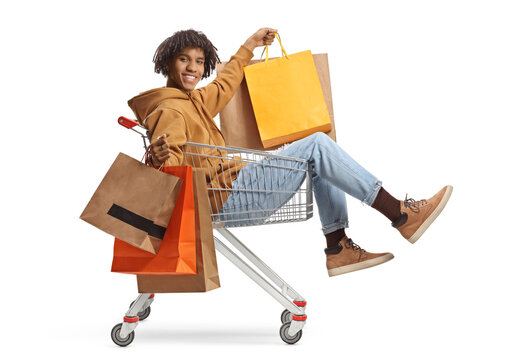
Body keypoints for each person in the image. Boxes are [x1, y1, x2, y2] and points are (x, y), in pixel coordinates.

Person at [127, 28, 453, 277]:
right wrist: (158, 159)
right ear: (167, 61)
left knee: (319, 156)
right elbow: (170, 169)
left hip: (236, 187)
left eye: (199, 61)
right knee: (316, 145)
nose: (193, 68)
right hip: (229, 196)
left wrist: (250, 45)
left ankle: (338, 246)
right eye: (184, 59)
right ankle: (399, 213)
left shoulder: (193, 100)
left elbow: (225, 84)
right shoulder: (169, 109)